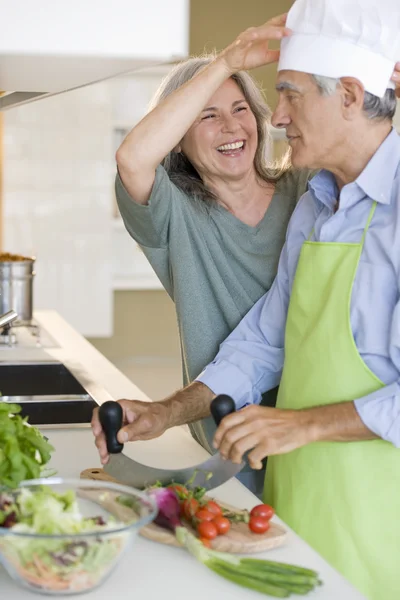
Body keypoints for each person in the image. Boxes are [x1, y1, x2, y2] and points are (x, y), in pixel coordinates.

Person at [93, 0, 400, 597]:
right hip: (296, 497)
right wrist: (167, 411)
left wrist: (299, 425)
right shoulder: (315, 201)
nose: (276, 116)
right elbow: (264, 338)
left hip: (381, 513)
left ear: (347, 95)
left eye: (288, 93)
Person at [113, 14, 314, 496]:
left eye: (241, 108)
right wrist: (227, 60)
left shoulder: (306, 189)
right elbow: (133, 158)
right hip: (228, 445)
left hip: (314, 432)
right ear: (179, 135)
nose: (231, 126)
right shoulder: (172, 217)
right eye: (207, 114)